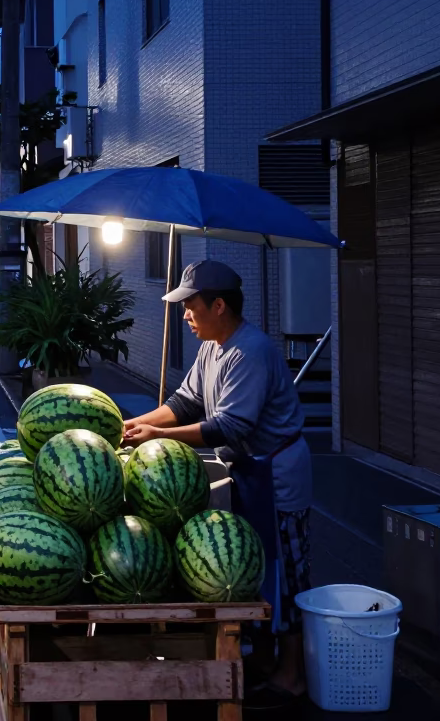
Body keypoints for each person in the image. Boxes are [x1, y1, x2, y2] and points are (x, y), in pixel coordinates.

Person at [122, 260, 311, 708]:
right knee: (252, 570)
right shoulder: (212, 346)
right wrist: (133, 425)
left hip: (278, 475)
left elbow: (229, 424)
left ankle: (293, 675)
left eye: (190, 306)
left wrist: (160, 437)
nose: (185, 315)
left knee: (286, 575)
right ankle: (263, 663)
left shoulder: (250, 351)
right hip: (249, 471)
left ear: (219, 306)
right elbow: (185, 402)